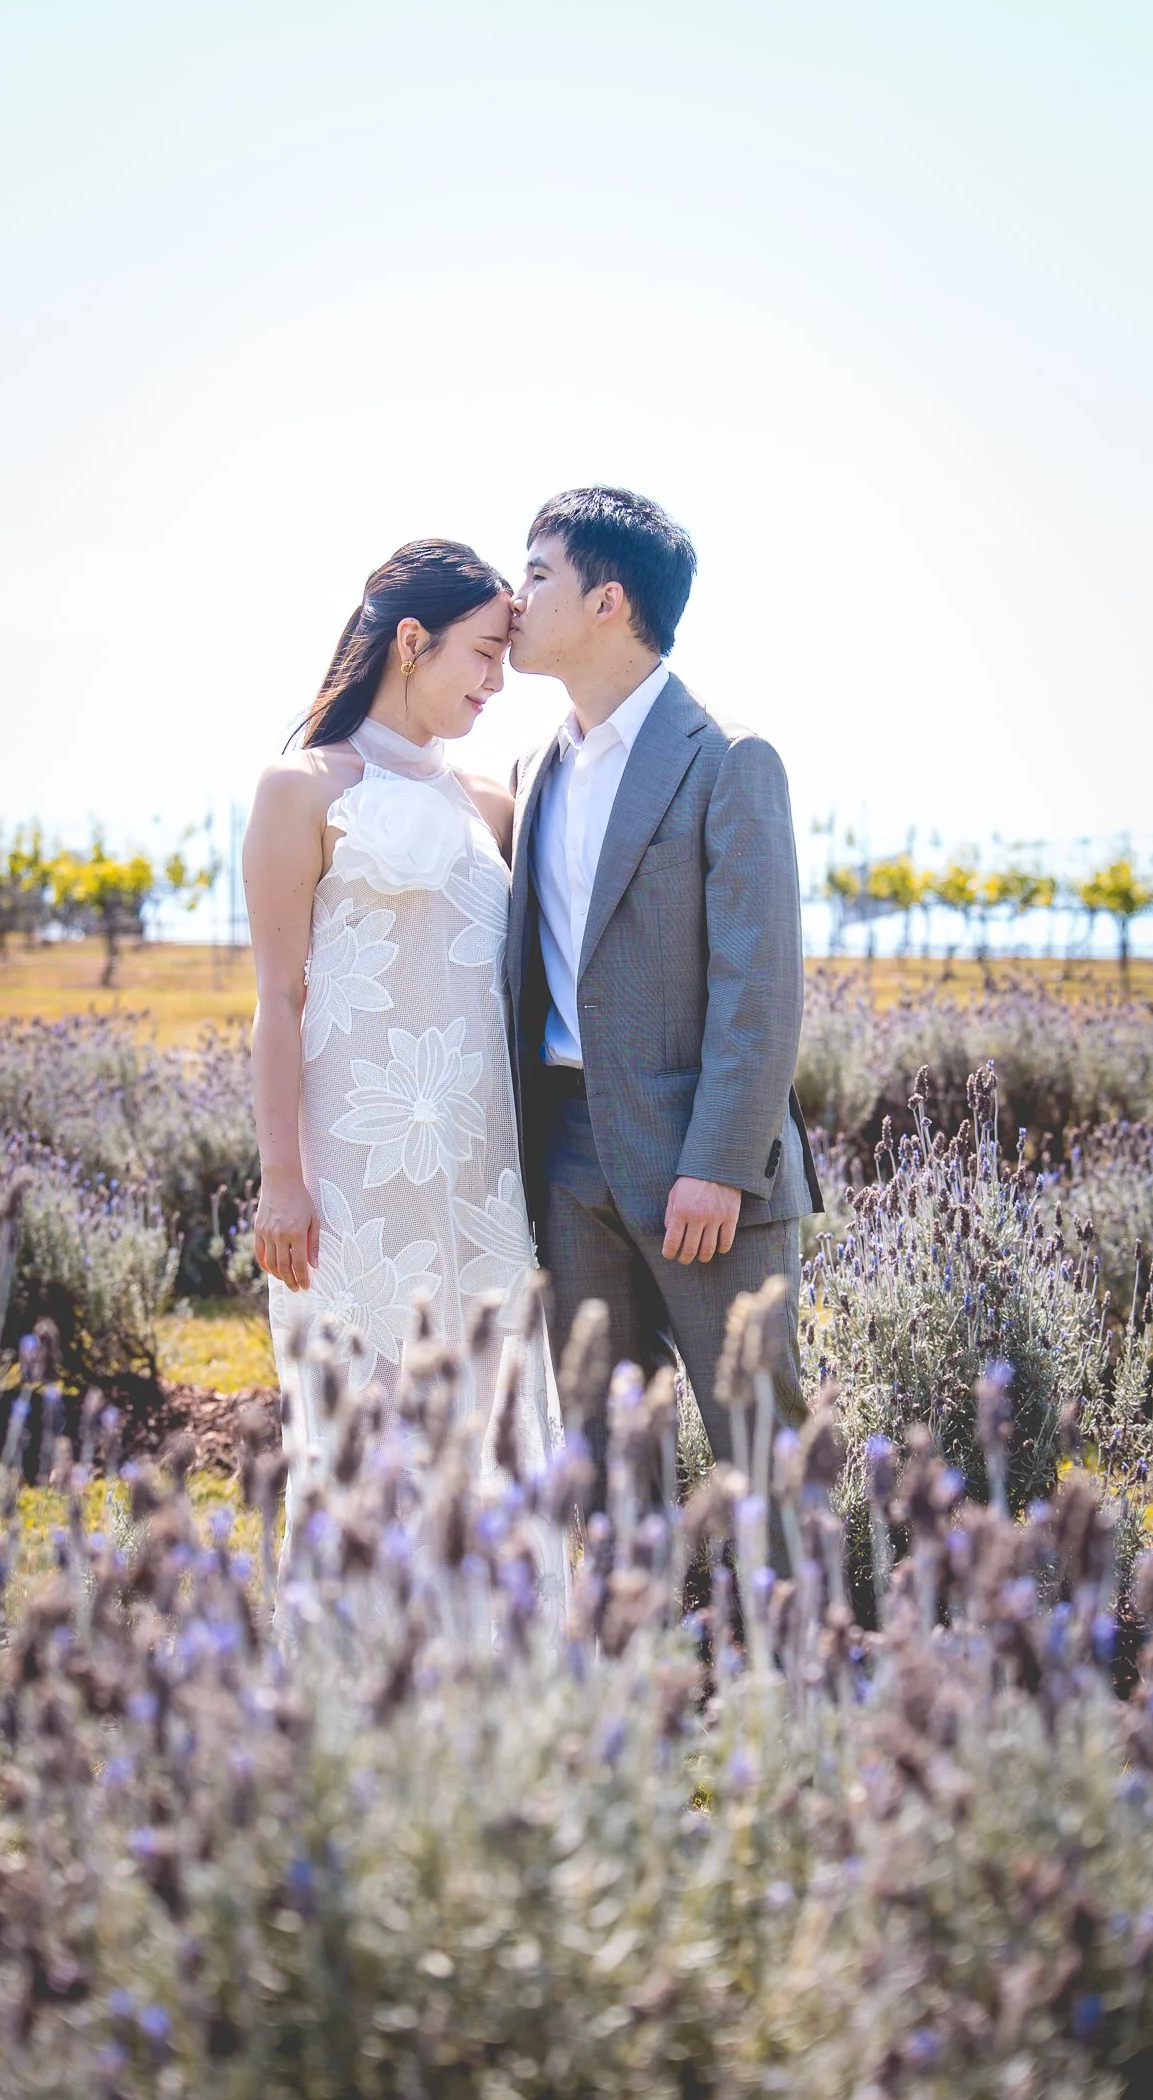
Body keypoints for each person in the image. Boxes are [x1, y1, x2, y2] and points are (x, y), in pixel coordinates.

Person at [242, 540, 564, 1598]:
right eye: (481, 653)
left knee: (487, 1431)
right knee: (362, 1436)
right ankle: (356, 1702)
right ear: (411, 641)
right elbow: (278, 1003)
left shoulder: (494, 804)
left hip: (480, 1180)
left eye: (506, 658)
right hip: (353, 1182)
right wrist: (281, 1179)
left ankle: (491, 1698)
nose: (495, 682)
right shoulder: (302, 789)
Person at [504, 486, 822, 1519]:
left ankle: (803, 1662)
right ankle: (636, 1659)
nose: (516, 597)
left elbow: (758, 983)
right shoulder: (532, 765)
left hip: (699, 1171)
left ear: (607, 600)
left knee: (758, 1443)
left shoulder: (728, 758)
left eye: (537, 572)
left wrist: (718, 1166)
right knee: (602, 1446)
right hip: (566, 1159)